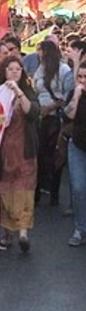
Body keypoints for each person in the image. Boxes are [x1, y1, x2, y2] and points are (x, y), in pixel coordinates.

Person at [0, 56, 40, 252]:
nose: (14, 72)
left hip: (24, 150)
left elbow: (33, 112)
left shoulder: (27, 92)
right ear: (4, 71)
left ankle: (22, 233)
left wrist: (18, 92)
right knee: (5, 189)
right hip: (4, 150)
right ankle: (6, 231)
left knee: (24, 190)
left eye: (18, 69)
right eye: (10, 69)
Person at [33, 39, 74, 205]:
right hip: (41, 117)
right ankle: (40, 190)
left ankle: (54, 192)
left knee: (55, 154)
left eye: (40, 50)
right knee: (40, 154)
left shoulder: (63, 70)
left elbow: (67, 95)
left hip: (55, 117)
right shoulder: (40, 69)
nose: (38, 53)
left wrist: (51, 106)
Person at [63, 61, 86, 246]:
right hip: (77, 146)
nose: (83, 81)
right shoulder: (74, 94)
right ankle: (80, 228)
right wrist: (77, 96)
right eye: (80, 77)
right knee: (78, 188)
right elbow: (69, 115)